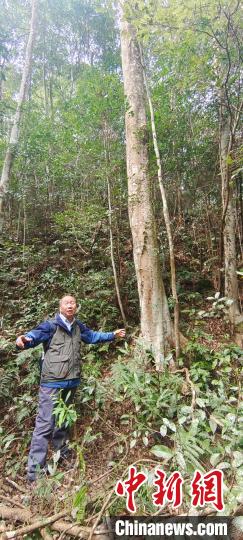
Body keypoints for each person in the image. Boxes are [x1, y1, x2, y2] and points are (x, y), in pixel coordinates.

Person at [16, 294, 126, 482]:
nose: (70, 306)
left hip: (71, 383)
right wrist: (24, 340)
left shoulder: (77, 326)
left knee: (63, 423)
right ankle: (35, 475)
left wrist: (111, 335)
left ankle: (63, 457)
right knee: (44, 426)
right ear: (60, 307)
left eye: (73, 303)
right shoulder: (50, 326)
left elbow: (92, 337)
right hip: (51, 384)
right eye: (66, 303)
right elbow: (33, 336)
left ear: (76, 306)